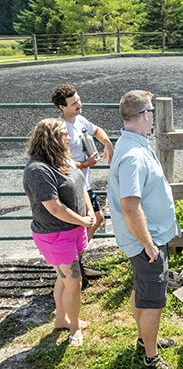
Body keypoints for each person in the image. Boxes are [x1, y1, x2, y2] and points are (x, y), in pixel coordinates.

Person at [107, 90, 180, 369]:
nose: (152, 117)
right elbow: (129, 205)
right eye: (150, 112)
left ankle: (143, 340)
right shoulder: (134, 155)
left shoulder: (132, 143)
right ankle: (152, 357)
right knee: (153, 301)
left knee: (142, 290)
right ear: (145, 115)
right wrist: (148, 245)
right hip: (145, 242)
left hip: (146, 239)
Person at [22, 118, 95, 348]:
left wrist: (90, 210)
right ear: (51, 138)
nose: (69, 137)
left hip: (74, 230)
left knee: (63, 278)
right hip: (55, 235)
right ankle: (74, 328)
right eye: (64, 134)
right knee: (74, 282)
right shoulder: (37, 170)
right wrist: (83, 219)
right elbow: (54, 207)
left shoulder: (64, 159)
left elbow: (81, 185)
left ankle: (61, 319)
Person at [51, 84, 115, 283]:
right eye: (74, 103)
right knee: (84, 223)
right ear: (62, 107)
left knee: (97, 218)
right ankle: (73, 265)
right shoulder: (59, 129)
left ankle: (76, 261)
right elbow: (58, 162)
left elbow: (97, 130)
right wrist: (85, 164)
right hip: (72, 185)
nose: (79, 104)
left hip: (84, 184)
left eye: (78, 99)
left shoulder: (81, 120)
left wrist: (107, 143)